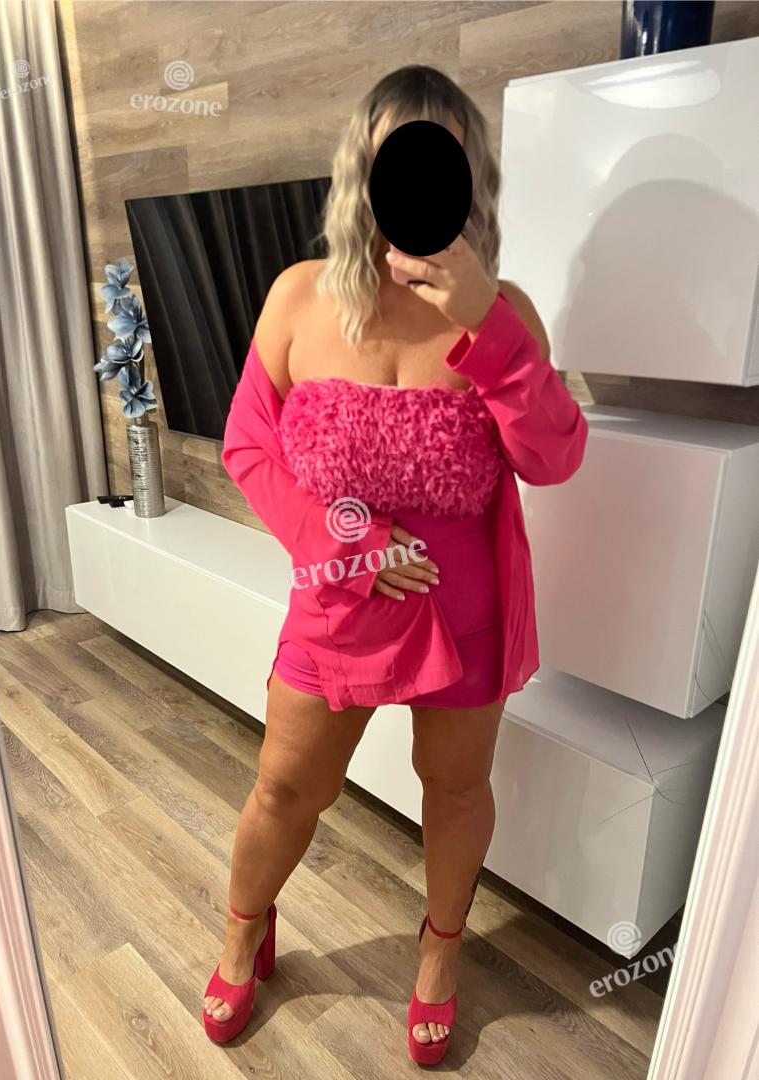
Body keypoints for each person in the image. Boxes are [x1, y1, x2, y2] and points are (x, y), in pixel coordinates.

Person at [204, 64, 588, 1065]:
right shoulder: (299, 299)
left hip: (466, 611)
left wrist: (488, 325)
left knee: (454, 792)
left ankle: (439, 954)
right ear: (361, 174)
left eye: (441, 161)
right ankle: (244, 929)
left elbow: (554, 458)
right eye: (397, 161)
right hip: (335, 599)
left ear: (471, 179)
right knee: (286, 789)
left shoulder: (505, 311)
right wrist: (346, 543)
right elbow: (248, 446)